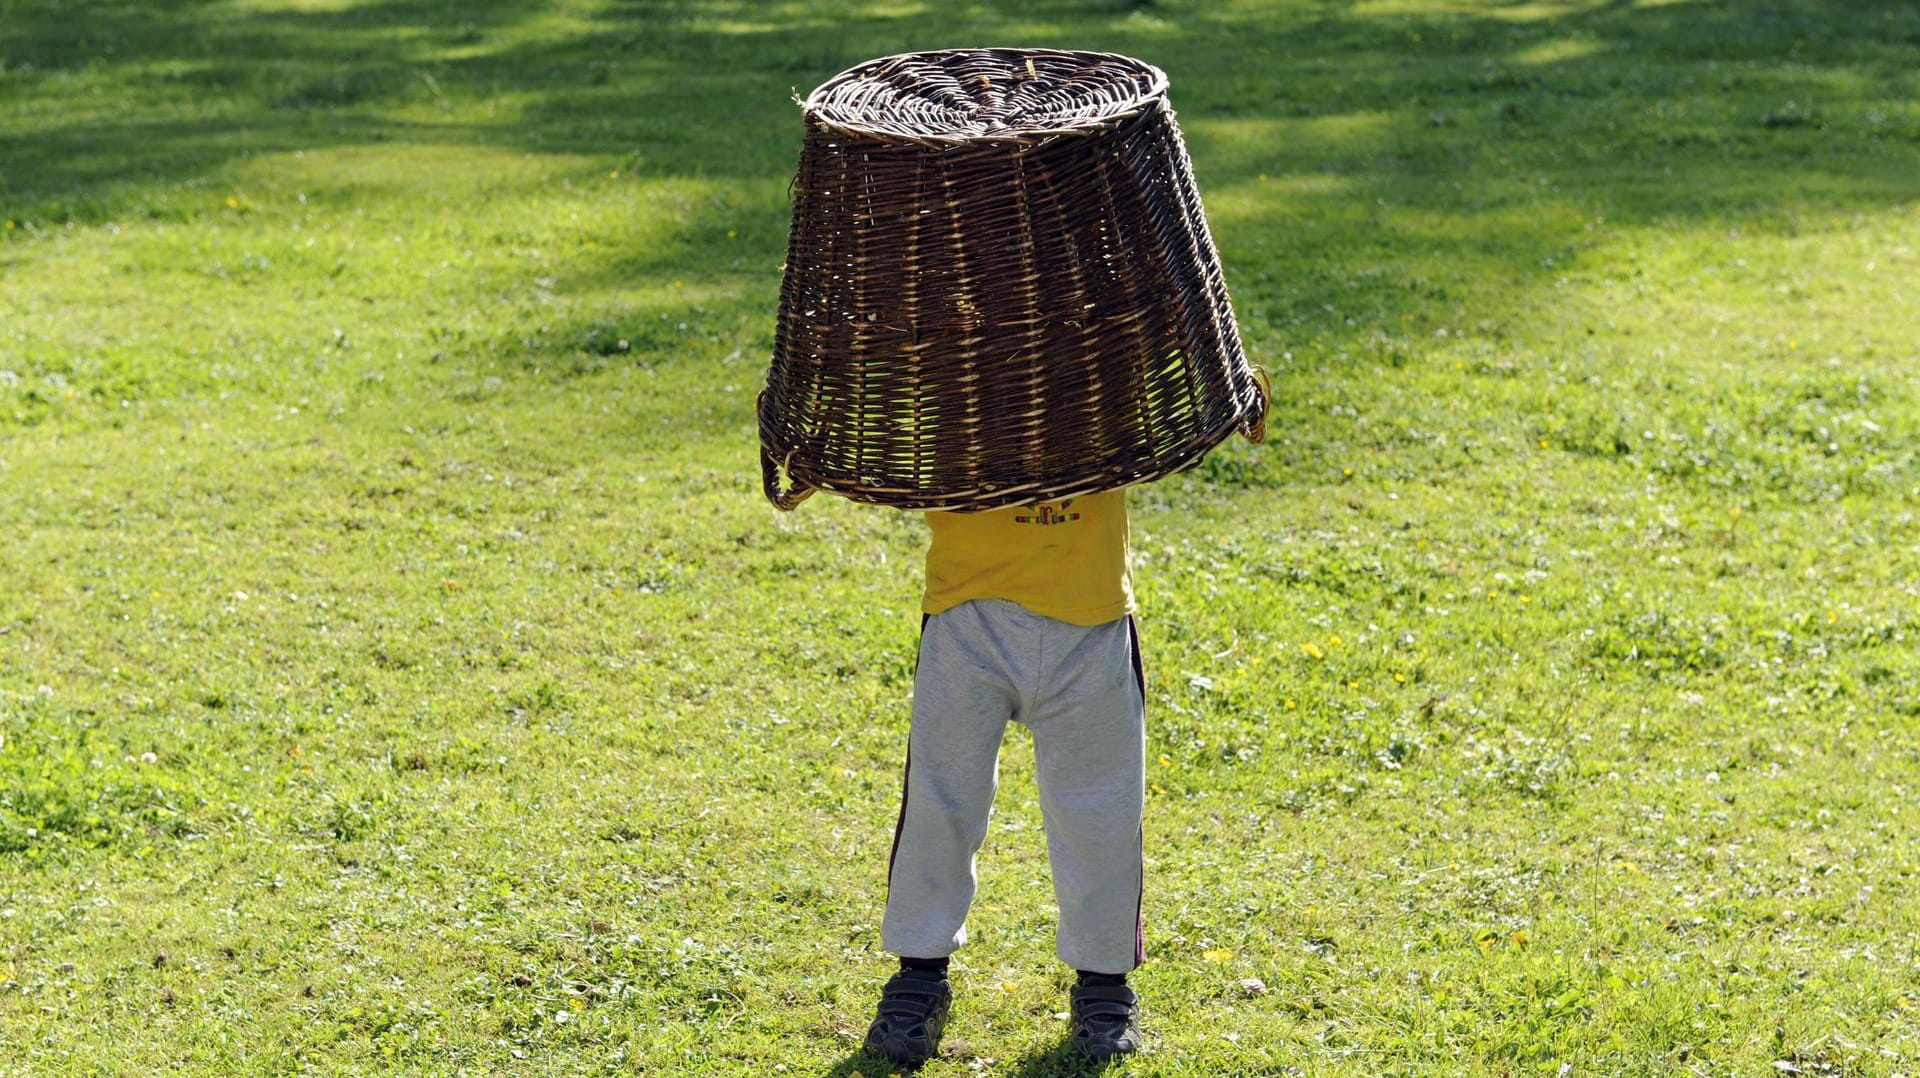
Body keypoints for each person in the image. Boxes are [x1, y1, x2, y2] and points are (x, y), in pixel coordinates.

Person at [864, 488, 1146, 1065]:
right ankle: (918, 977)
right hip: (967, 611)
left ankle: (1104, 987)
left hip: (1089, 612)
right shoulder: (955, 395)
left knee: (1102, 812)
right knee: (942, 802)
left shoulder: (1099, 396)